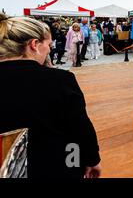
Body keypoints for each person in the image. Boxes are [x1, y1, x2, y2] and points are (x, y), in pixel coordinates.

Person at [0, 13, 101, 178]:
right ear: (34, 44)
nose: (50, 48)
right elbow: (79, 128)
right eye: (48, 44)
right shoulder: (59, 80)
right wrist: (91, 159)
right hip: (56, 167)